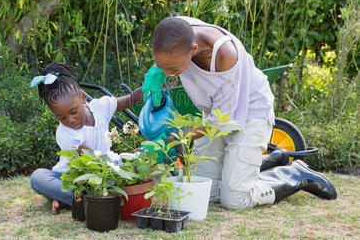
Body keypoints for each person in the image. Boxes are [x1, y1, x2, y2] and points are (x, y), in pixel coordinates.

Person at [142, 16, 337, 210]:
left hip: (250, 112)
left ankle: (295, 174)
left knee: (234, 199)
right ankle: (268, 161)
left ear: (193, 49)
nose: (168, 73)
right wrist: (156, 70)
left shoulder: (224, 55)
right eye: (163, 66)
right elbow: (166, 55)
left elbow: (222, 122)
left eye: (174, 69)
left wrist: (173, 139)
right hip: (216, 113)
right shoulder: (175, 31)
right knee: (202, 192)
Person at [29, 62, 142, 213]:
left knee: (134, 162)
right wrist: (119, 163)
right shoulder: (65, 133)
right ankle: (87, 198)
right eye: (61, 117)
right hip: (70, 177)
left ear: (83, 98)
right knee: (38, 177)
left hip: (103, 174)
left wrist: (148, 88)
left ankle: (71, 200)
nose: (70, 120)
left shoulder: (100, 107)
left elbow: (131, 99)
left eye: (73, 111)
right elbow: (91, 158)